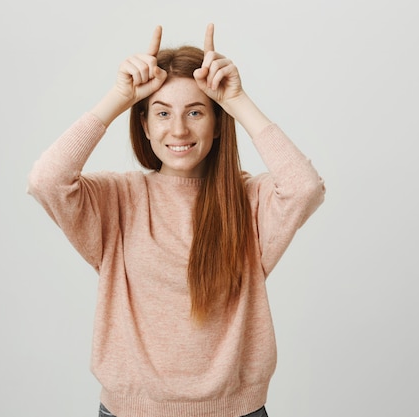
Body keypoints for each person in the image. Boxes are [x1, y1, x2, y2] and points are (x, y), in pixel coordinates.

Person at [27, 23, 325, 417]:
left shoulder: (250, 199)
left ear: (218, 124)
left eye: (196, 112)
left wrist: (237, 100)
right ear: (145, 126)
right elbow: (46, 180)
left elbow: (305, 188)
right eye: (162, 113)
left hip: (236, 411)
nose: (178, 129)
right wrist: (118, 98)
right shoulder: (118, 199)